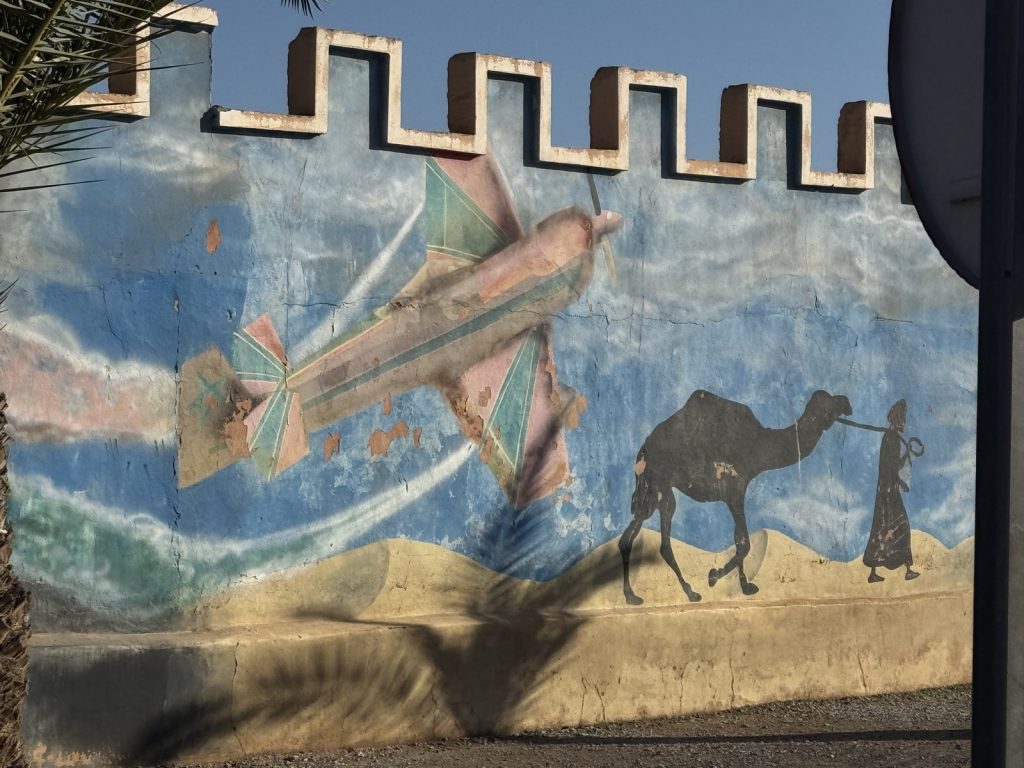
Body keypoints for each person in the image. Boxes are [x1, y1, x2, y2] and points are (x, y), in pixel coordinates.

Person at [863, 399, 920, 583]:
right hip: (889, 491)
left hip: (887, 489)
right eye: (903, 419)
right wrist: (900, 481)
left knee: (883, 527)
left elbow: (893, 465)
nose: (905, 423)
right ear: (898, 419)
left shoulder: (891, 437)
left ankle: (876, 572)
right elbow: (889, 466)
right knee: (898, 526)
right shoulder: (891, 438)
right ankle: (906, 570)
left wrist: (907, 454)